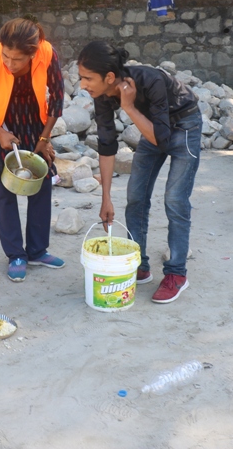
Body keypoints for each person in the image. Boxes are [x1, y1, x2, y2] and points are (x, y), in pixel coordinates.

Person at [78, 41, 202, 304]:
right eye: (81, 78)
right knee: (135, 196)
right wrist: (106, 198)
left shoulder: (151, 80)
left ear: (109, 77)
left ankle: (177, 273)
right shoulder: (100, 95)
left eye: (88, 78)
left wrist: (130, 107)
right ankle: (139, 265)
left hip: (185, 124)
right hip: (154, 129)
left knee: (175, 199)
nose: (82, 85)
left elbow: (161, 139)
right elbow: (107, 145)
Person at [0, 18, 66, 282]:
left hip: (34, 123)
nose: (9, 64)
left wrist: (45, 138)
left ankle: (37, 251)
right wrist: (0, 133)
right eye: (6, 55)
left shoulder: (47, 53)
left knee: (41, 183)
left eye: (17, 60)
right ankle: (15, 255)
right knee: (4, 191)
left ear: (33, 53)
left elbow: (57, 98)